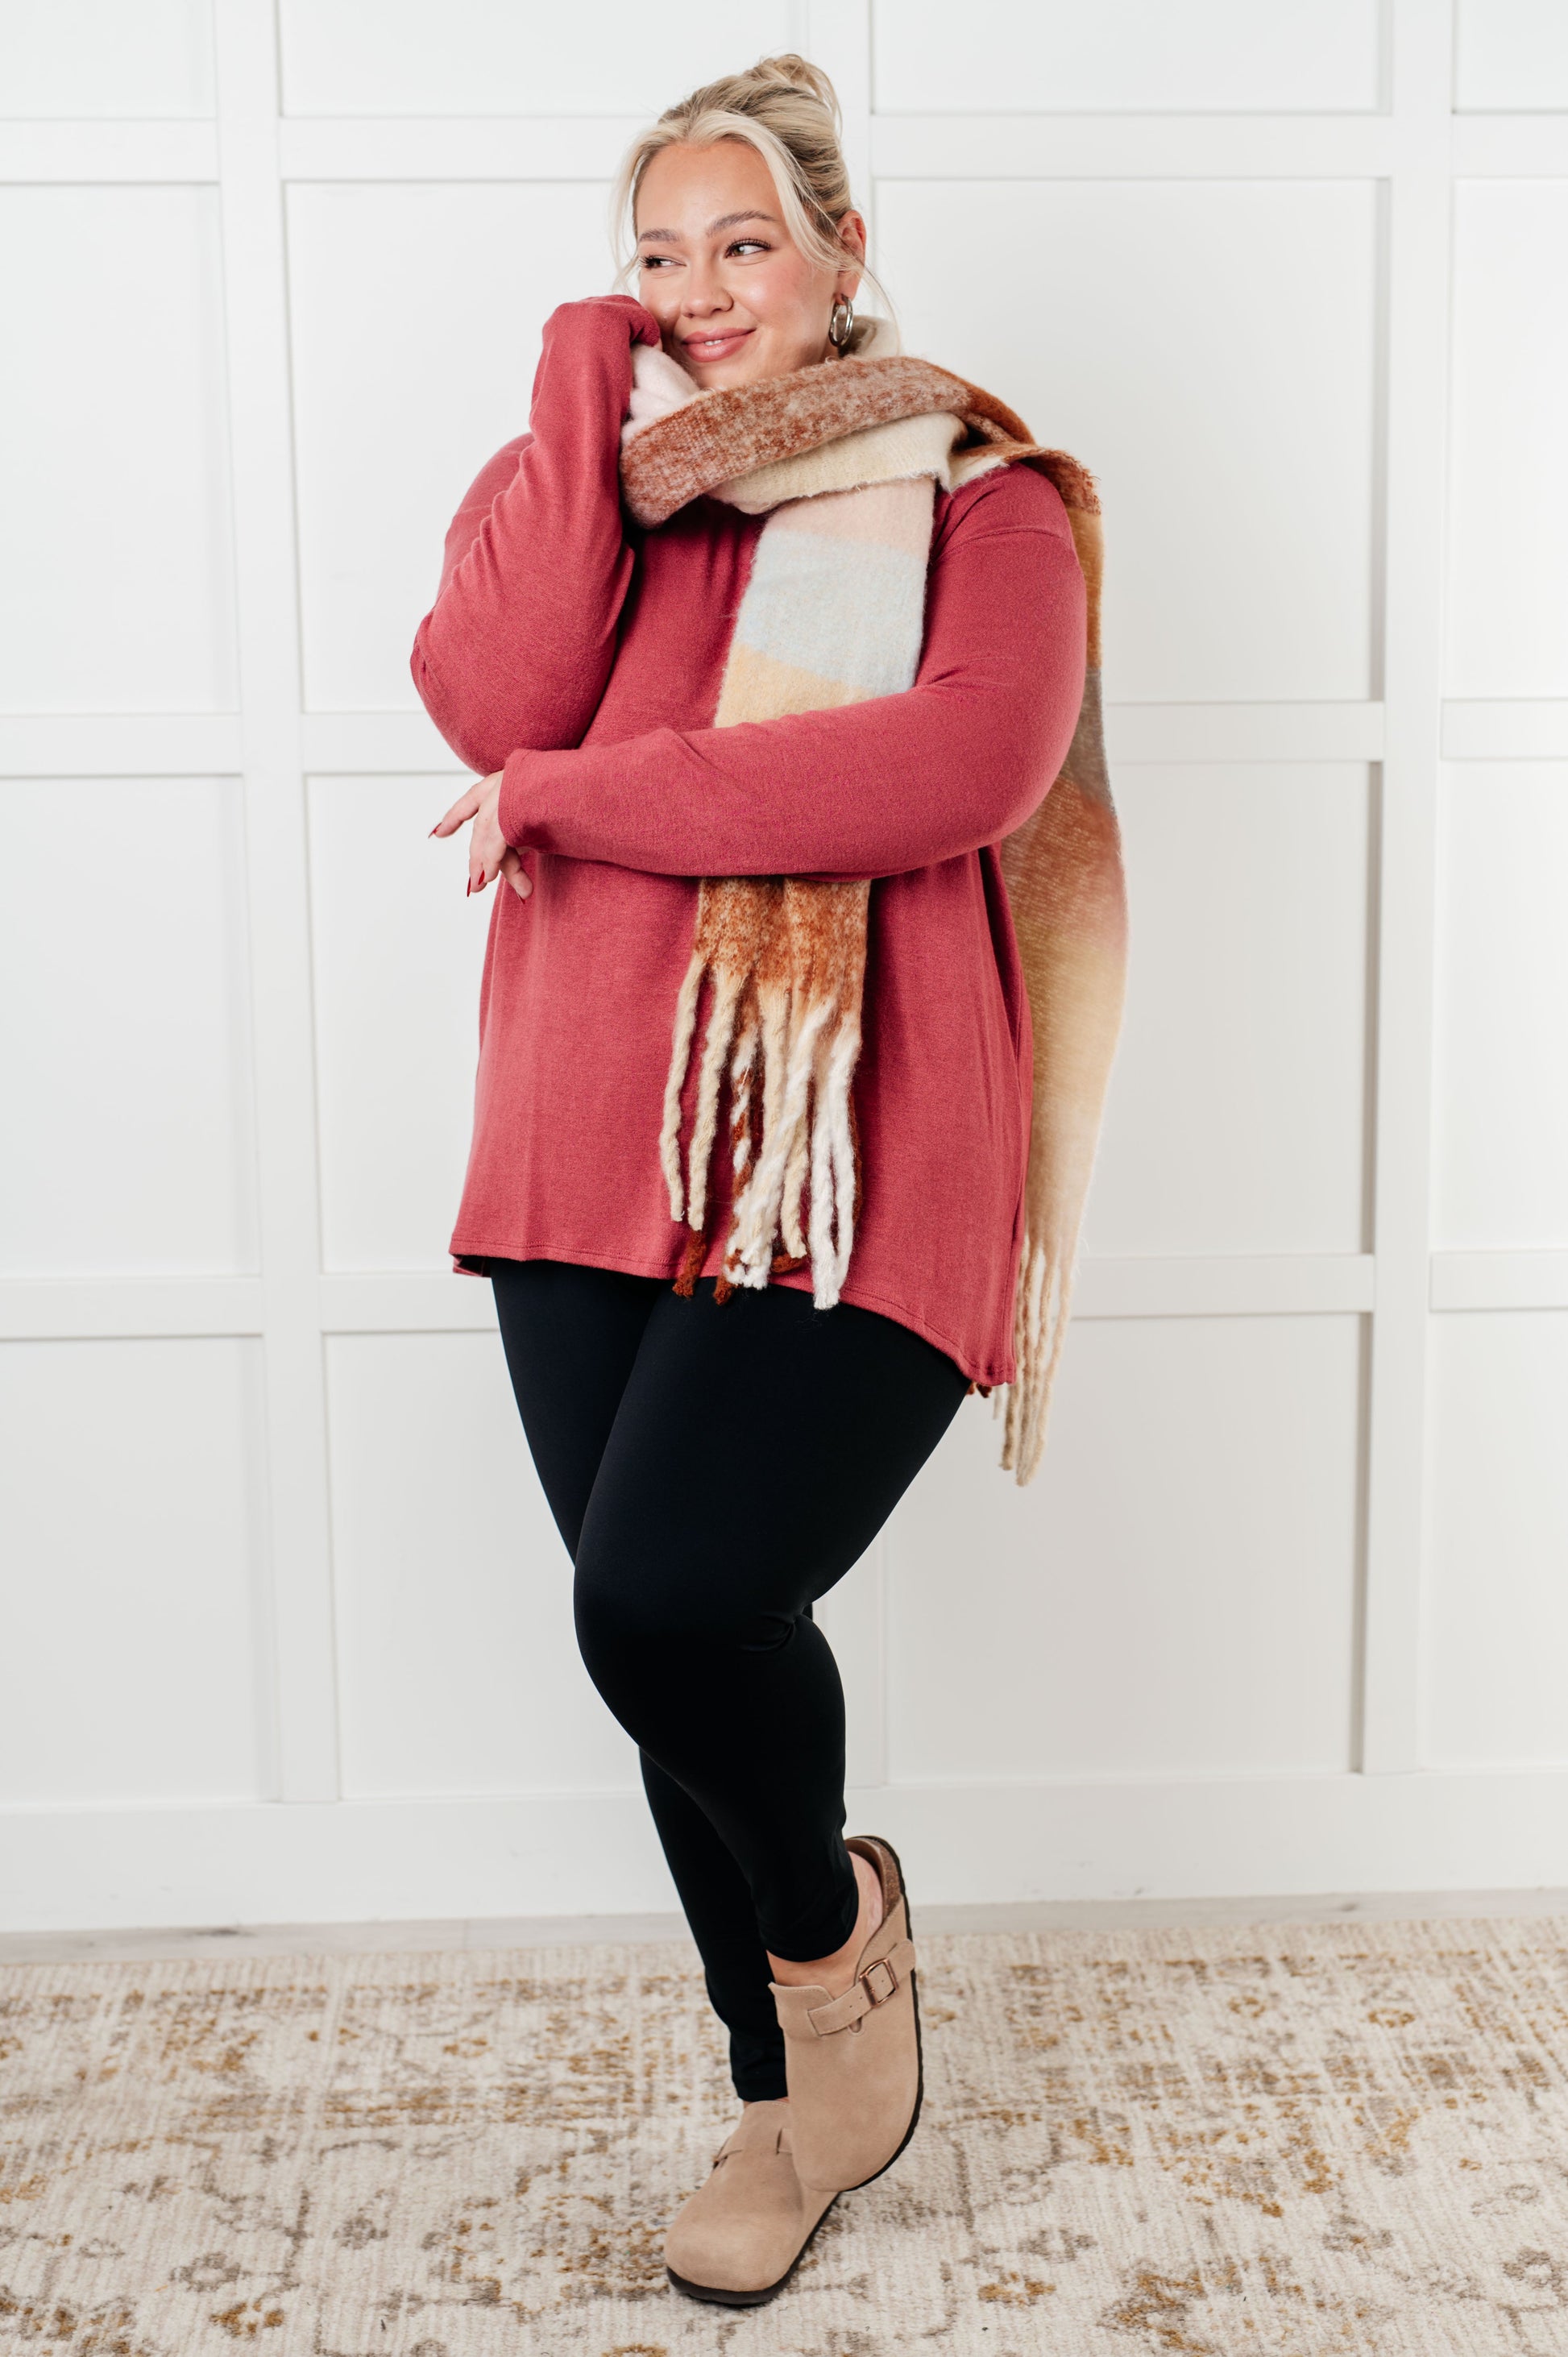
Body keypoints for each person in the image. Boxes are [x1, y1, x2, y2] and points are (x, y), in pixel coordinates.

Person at [416, 54, 1089, 2309]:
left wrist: (584, 798)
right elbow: (485, 688)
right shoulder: (588, 496)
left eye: (742, 246)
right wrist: (563, 389)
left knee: (662, 1606)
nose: (700, 294)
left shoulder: (979, 495)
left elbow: (954, 768)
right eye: (654, 260)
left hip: (853, 1149)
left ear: (837, 255)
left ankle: (831, 1955)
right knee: (675, 1647)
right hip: (575, 1138)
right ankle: (781, 2097)